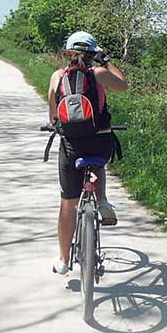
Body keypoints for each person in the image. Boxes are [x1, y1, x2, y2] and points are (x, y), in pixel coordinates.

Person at [48, 31, 128, 275]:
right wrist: (106, 60)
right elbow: (124, 86)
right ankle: (101, 199)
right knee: (98, 160)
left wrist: (59, 125)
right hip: (99, 143)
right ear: (93, 54)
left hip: (72, 146)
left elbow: (53, 117)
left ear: (67, 53)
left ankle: (63, 260)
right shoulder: (99, 74)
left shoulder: (57, 77)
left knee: (68, 203)